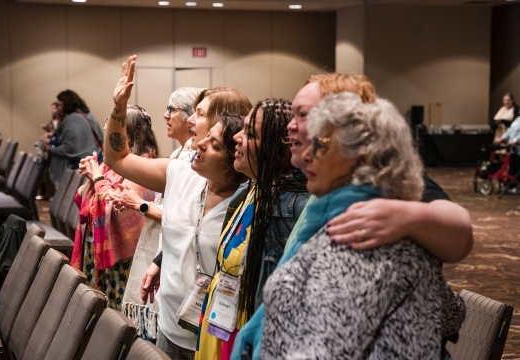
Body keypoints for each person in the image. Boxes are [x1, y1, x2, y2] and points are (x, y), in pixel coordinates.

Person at [232, 73, 473, 360]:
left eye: (305, 115)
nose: (290, 126)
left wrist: (409, 215)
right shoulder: (320, 189)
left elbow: (460, 234)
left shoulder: (379, 207)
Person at [104, 55, 250, 360]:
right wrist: (118, 106)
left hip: (217, 334)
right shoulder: (181, 172)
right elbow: (116, 158)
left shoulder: (250, 197)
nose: (191, 121)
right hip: (171, 324)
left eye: (199, 113)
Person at [195, 99, 308, 360]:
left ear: (275, 148)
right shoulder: (250, 190)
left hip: (248, 335)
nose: (235, 138)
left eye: (249, 133)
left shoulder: (293, 208)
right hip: (221, 322)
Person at [116, 87, 204, 343]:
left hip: (183, 269)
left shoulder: (193, 161)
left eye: (171, 109)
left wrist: (140, 205)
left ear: (190, 119)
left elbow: (184, 219)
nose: (165, 115)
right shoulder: (179, 155)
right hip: (165, 255)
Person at [72, 104, 158, 311]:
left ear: (127, 136)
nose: (105, 139)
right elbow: (84, 204)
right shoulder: (112, 166)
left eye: (111, 133)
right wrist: (91, 177)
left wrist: (97, 177)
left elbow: (117, 208)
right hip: (97, 249)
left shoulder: (145, 167)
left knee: (116, 316)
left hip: (122, 259)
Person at [43, 90, 104, 188]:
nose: (58, 108)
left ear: (67, 104)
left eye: (59, 105)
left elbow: (70, 148)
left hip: (82, 167)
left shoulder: (73, 119)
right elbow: (100, 137)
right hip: (94, 162)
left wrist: (49, 149)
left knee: (74, 200)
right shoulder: (86, 115)